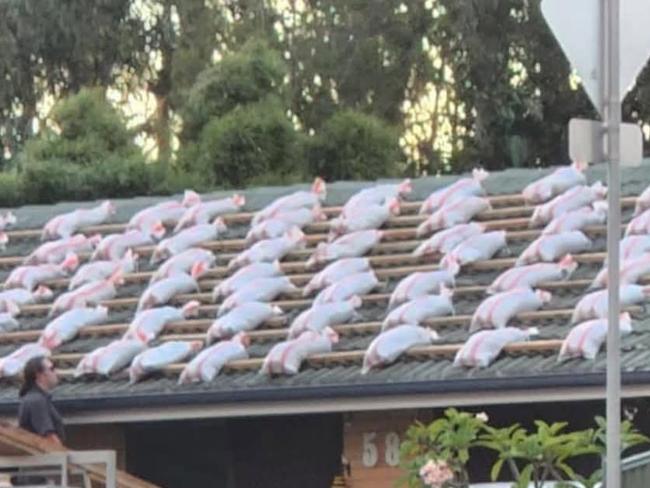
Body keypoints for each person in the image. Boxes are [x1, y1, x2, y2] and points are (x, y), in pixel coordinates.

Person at [17, 356, 65, 445]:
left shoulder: (36, 399)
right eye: (52, 368)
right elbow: (49, 437)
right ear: (39, 375)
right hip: (47, 457)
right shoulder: (36, 401)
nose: (56, 372)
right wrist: (65, 456)